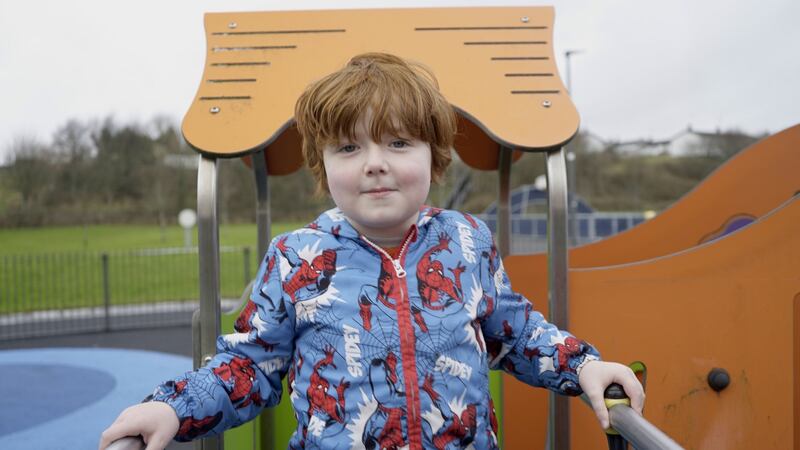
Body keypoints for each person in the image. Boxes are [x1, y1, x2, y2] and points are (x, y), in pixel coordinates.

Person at [99, 52, 644, 450]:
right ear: (324, 165)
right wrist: (173, 405)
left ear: (434, 157)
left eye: (399, 142)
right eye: (349, 146)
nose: (374, 162)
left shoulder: (466, 241)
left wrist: (586, 366)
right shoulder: (296, 258)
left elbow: (514, 332)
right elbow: (247, 365)